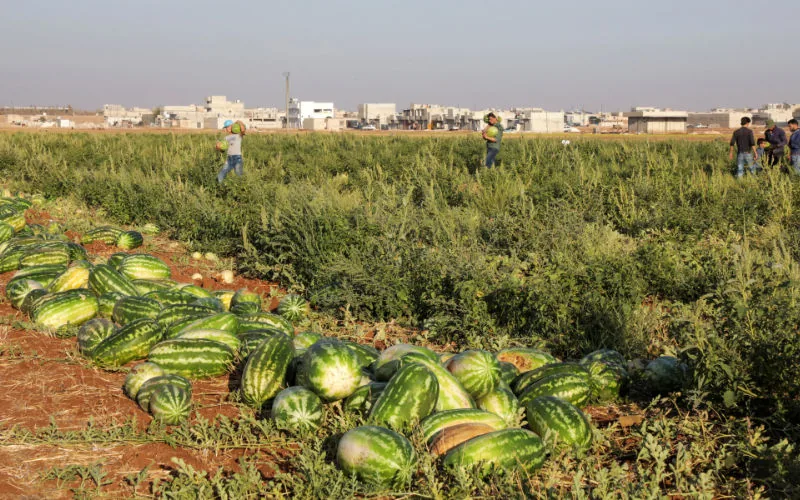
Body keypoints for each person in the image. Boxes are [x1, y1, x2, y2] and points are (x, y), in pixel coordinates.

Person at [217, 119, 246, 183]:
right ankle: (220, 189)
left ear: (232, 126)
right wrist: (218, 147)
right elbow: (222, 151)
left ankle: (241, 190)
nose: (226, 129)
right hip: (229, 159)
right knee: (220, 175)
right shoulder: (226, 138)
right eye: (225, 127)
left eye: (227, 127)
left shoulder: (239, 135)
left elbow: (243, 129)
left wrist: (238, 122)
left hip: (237, 158)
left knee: (239, 177)